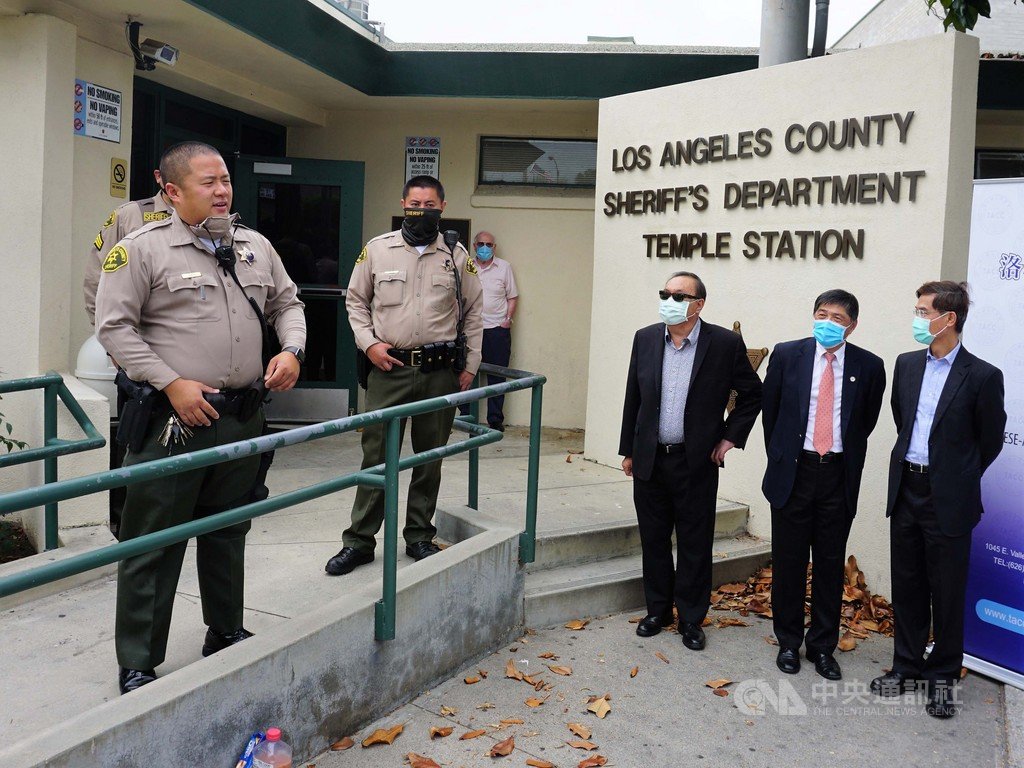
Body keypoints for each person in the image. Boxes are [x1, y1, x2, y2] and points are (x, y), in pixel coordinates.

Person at [95, 141, 306, 695]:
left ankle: (225, 629)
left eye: (226, 181)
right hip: (174, 421)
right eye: (208, 182)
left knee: (228, 530)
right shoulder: (141, 249)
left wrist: (291, 350)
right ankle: (139, 658)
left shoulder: (254, 246)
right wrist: (171, 382)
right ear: (171, 190)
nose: (221, 191)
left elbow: (288, 304)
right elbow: (114, 327)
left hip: (241, 416)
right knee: (154, 541)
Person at [325, 175, 483, 576]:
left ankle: (419, 536)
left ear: (442, 207)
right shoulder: (377, 250)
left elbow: (474, 311)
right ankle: (359, 542)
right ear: (403, 204)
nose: (421, 211)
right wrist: (369, 345)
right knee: (377, 458)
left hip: (439, 372)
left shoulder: (455, 255)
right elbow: (355, 302)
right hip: (388, 369)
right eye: (415, 204)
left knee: (430, 458)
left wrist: (470, 365)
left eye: (429, 205)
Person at [870, 281, 1005, 718]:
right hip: (906, 489)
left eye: (923, 311)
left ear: (949, 319)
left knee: (946, 592)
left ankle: (943, 677)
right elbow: (902, 418)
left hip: (949, 498)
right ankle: (905, 666)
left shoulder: (982, 375)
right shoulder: (907, 364)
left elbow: (989, 441)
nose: (917, 318)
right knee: (907, 584)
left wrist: (956, 476)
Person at [619, 271, 762, 650]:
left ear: (699, 304)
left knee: (695, 543)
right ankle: (658, 611)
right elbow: (634, 396)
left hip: (695, 462)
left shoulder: (724, 344)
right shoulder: (646, 337)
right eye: (665, 293)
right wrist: (628, 449)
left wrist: (729, 437)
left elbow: (753, 394)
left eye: (679, 296)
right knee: (653, 540)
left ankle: (691, 618)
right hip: (650, 459)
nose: (669, 300)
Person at [761, 289, 885, 680]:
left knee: (831, 565)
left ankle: (822, 646)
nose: (827, 323)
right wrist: (784, 457)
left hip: (837, 475)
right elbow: (771, 413)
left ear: (852, 326)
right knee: (789, 562)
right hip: (794, 473)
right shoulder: (787, 355)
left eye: (837, 318)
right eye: (821, 314)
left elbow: (864, 422)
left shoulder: (870, 365)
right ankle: (787, 642)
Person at [85, 169, 174, 325]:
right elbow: (98, 273)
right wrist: (105, 326)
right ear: (158, 176)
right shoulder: (130, 214)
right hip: (138, 329)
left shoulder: (208, 218)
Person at [459, 231, 517, 431]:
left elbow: (512, 296)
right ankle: (466, 415)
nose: (485, 248)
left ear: (494, 247)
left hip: (496, 330)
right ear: (474, 246)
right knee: (466, 371)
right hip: (470, 330)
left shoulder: (504, 267)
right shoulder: (466, 266)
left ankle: (495, 419)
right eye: (481, 244)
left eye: (489, 244)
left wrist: (507, 321)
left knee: (497, 375)